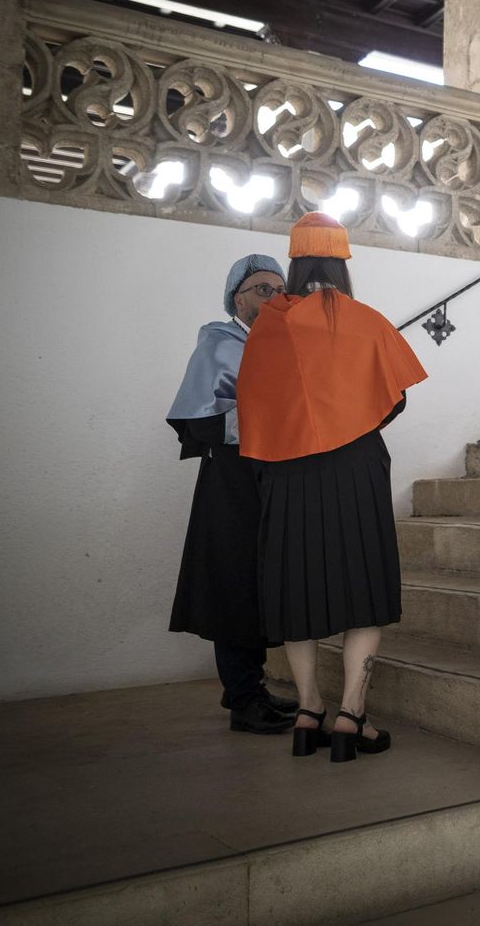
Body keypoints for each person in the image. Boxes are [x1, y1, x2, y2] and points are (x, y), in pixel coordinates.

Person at [237, 212, 427, 762]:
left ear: (294, 262)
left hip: (285, 471)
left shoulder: (268, 326)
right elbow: (395, 398)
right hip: (354, 470)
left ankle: (308, 711)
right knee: (362, 588)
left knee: (295, 589)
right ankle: (351, 716)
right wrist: (350, 423)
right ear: (343, 262)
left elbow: (254, 404)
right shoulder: (364, 320)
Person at [166, 254, 299, 734]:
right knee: (233, 584)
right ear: (236, 299)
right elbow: (201, 423)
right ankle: (244, 701)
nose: (274, 297)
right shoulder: (220, 344)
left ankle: (247, 687)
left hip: (272, 479)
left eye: (280, 290)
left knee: (262, 583)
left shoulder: (284, 344)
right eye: (263, 289)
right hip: (232, 483)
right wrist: (276, 417)